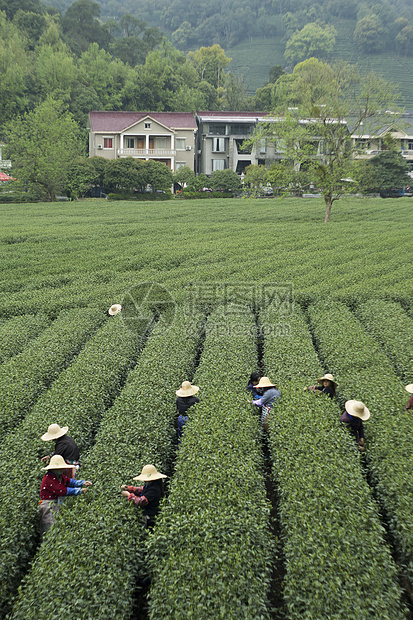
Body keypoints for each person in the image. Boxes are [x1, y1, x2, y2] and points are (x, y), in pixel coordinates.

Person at [38, 454, 92, 535]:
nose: (63, 469)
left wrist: (82, 482)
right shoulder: (49, 479)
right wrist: (80, 490)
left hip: (55, 504)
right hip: (48, 506)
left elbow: (69, 481)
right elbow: (62, 490)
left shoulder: (58, 476)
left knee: (56, 524)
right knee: (49, 527)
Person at [121, 464, 167, 528]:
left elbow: (141, 501)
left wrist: (129, 495)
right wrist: (129, 488)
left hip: (151, 518)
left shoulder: (154, 489)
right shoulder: (152, 485)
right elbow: (142, 489)